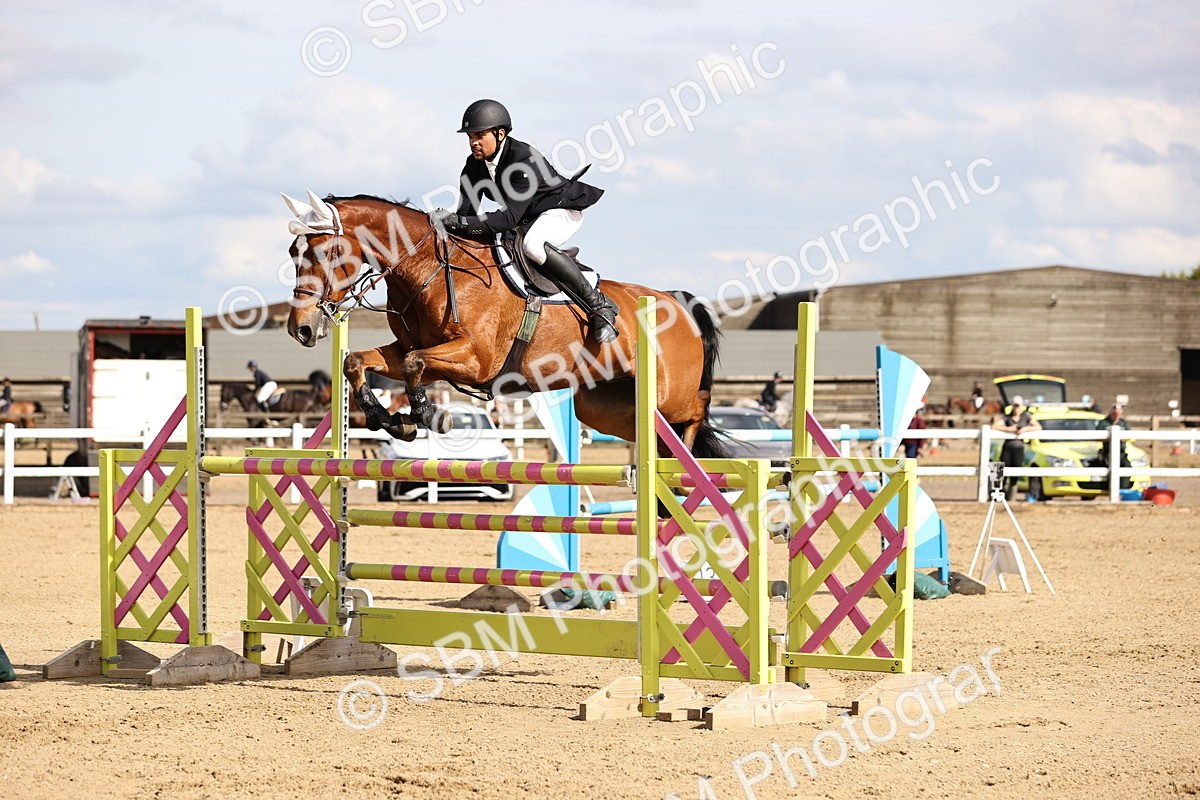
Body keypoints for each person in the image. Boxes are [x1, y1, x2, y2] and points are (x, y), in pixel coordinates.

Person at [430, 99, 617, 344]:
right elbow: (467, 214)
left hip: (559, 210)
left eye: (479, 135)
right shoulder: (472, 165)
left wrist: (459, 222)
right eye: (469, 137)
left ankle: (599, 306)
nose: (473, 142)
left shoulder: (523, 159)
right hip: (526, 218)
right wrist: (449, 224)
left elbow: (507, 218)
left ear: (500, 133)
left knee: (533, 245)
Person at [992, 395, 1041, 499]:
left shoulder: (1026, 417)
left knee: (1015, 472)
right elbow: (994, 426)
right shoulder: (1007, 417)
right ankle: (999, 494)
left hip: (1019, 448)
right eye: (1014, 406)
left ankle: (1011, 497)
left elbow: (1038, 427)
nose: (1016, 408)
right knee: (1003, 471)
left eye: (1018, 406)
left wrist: (1024, 429)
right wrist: (1009, 429)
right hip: (1008, 447)